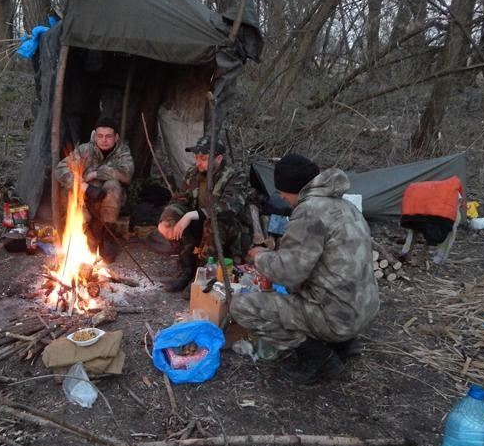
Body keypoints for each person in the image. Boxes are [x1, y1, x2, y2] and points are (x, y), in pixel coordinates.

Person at [230, 154, 379, 384]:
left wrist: (260, 257)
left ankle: (321, 359)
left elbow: (287, 273)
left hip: (338, 317)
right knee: (295, 290)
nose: (280, 197)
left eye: (282, 191)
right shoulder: (346, 206)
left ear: (293, 189)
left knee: (242, 306)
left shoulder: (310, 211)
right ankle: (344, 343)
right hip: (364, 309)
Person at [158, 135, 249, 292]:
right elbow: (180, 199)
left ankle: (203, 277)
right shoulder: (194, 173)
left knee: (213, 223)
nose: (198, 162)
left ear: (218, 158)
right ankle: (187, 269)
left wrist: (192, 215)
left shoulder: (235, 176)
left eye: (203, 158)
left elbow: (230, 207)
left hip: (228, 230)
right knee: (172, 215)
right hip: (200, 224)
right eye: (196, 157)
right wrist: (167, 220)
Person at [55, 117, 134, 262]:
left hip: (107, 204)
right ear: (94, 135)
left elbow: (126, 173)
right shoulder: (85, 150)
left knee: (114, 186)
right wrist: (84, 186)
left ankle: (106, 238)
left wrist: (96, 174)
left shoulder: (122, 151)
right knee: (71, 191)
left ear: (116, 137)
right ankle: (85, 234)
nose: (104, 140)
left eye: (108, 136)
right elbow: (61, 169)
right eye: (100, 136)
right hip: (84, 199)